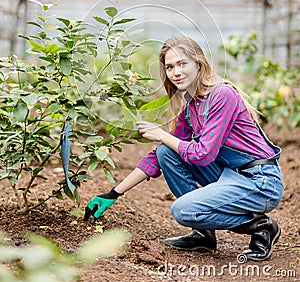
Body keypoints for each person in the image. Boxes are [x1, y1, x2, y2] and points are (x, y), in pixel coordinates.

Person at [84, 35, 284, 262]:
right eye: (170, 67)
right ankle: (203, 234)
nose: (176, 72)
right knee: (166, 152)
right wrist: (113, 193)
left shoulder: (223, 95)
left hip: (260, 181)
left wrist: (161, 134)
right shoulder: (192, 107)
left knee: (183, 210)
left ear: (199, 64)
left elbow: (203, 154)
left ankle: (261, 226)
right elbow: (160, 156)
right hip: (230, 176)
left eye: (182, 64)